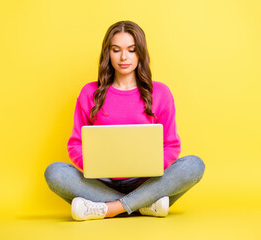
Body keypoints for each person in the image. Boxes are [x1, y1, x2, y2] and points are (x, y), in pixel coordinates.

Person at [44, 20, 205, 221]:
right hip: (101, 181)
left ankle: (109, 208)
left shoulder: (161, 93)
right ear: (107, 53)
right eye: (116, 50)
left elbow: (171, 145)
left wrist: (151, 165)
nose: (123, 57)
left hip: (147, 182)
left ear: (141, 53)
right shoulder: (89, 93)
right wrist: (96, 165)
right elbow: (76, 144)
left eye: (131, 50)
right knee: (55, 172)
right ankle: (144, 205)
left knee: (194, 165)